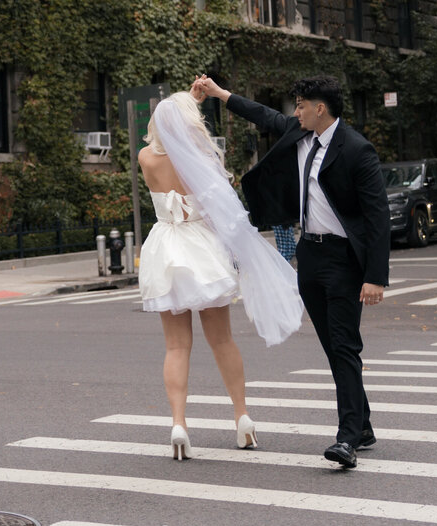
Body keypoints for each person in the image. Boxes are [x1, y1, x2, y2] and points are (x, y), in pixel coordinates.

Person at [194, 73, 389, 470]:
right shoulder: (299, 134)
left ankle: (347, 438)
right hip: (310, 257)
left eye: (301, 105)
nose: (295, 111)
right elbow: (262, 115)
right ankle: (363, 425)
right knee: (335, 347)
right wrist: (219, 94)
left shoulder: (357, 150)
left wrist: (375, 276)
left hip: (345, 261)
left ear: (320, 109)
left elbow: (377, 216)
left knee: (345, 345)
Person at [138, 87, 304, 461]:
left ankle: (179, 423)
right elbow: (220, 210)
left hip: (165, 248)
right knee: (223, 341)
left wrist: (182, 105)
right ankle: (242, 416)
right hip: (200, 248)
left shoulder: (145, 157)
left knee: (176, 346)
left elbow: (168, 125)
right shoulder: (200, 158)